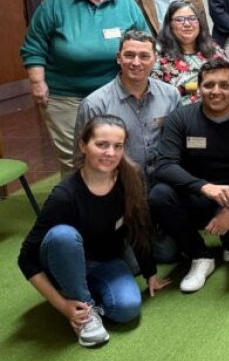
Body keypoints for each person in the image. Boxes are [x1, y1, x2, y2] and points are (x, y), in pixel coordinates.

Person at [18, 115, 169, 347]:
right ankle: (83, 309)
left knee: (127, 309)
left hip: (104, 259)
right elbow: (26, 258)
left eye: (117, 146)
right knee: (63, 236)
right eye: (101, 144)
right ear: (82, 145)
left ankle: (80, 290)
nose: (110, 153)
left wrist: (150, 273)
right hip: (62, 256)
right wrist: (63, 306)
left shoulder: (130, 177)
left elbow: (138, 224)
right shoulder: (64, 195)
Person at [20, 0, 150, 175]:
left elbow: (144, 40)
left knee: (114, 152)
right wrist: (37, 82)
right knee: (77, 157)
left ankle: (118, 203)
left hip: (114, 93)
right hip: (66, 95)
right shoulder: (57, 1)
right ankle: (77, 205)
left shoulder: (125, 2)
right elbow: (34, 45)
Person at [150, 60, 229, 293]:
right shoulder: (181, 118)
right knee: (159, 194)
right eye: (209, 85)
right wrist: (204, 187)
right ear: (198, 88)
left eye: (224, 85)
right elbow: (164, 165)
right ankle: (201, 255)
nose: (216, 91)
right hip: (196, 195)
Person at [74, 30, 179, 178]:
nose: (136, 63)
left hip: (162, 181)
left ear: (154, 59)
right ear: (118, 58)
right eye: (129, 55)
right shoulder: (95, 104)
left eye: (144, 56)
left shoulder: (170, 96)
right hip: (115, 183)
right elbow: (81, 157)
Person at [153, 1, 226, 105]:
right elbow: (156, 96)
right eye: (179, 20)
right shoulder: (159, 55)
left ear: (199, 23)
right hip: (179, 115)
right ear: (170, 25)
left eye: (192, 18)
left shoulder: (214, 49)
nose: (187, 24)